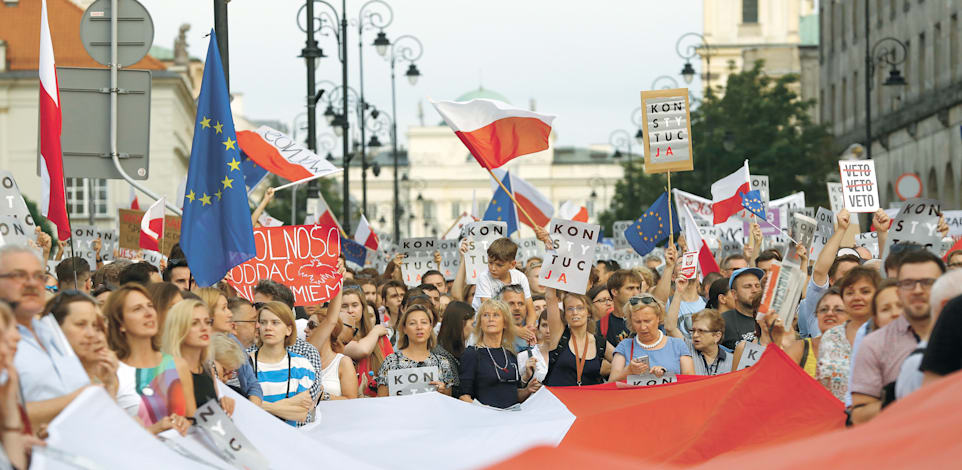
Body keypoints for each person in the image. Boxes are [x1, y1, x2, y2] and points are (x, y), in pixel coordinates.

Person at [850, 250, 945, 424]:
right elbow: (859, 417)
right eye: (908, 283)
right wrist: (895, 399)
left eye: (927, 282)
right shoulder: (874, 344)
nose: (917, 290)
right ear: (899, 290)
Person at [0, 246, 91, 428]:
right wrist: (78, 400)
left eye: (38, 276)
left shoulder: (52, 331)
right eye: (19, 275)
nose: (32, 283)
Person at [105, 284, 194, 435]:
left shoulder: (178, 365)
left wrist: (186, 424)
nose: (148, 313)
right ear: (120, 323)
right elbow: (108, 435)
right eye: (137, 309)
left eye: (150, 306)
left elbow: (194, 422)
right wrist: (154, 430)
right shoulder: (111, 370)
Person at [251, 280, 322, 408]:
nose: (254, 311)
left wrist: (258, 406)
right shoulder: (245, 355)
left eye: (259, 305)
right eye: (254, 305)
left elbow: (304, 407)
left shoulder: (306, 354)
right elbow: (239, 403)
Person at [816, 266, 881, 402]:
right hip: (832, 417)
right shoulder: (831, 336)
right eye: (850, 293)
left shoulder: (887, 334)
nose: (857, 297)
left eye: (865, 291)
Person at [459, 300, 541, 408]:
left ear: (505, 323)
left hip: (512, 417)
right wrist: (487, 412)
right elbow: (464, 397)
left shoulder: (510, 354)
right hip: (486, 420)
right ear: (480, 322)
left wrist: (527, 390)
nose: (491, 319)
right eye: (486, 315)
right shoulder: (472, 353)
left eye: (496, 315)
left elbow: (513, 395)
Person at [161, 299, 235, 415]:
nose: (204, 328)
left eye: (207, 322)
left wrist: (221, 404)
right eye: (194, 323)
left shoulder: (207, 368)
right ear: (179, 329)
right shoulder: (171, 368)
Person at [250, 301, 315, 426]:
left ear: (288, 329)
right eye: (263, 322)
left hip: (288, 440)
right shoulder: (246, 363)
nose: (268, 327)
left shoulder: (301, 364)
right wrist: (289, 404)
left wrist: (259, 405)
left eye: (275, 323)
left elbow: (301, 414)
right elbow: (242, 407)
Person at [46, 291, 118, 397]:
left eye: (96, 326)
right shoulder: (46, 381)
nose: (91, 334)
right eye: (81, 324)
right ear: (55, 328)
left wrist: (110, 385)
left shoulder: (107, 373)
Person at [610, 295, 694, 382]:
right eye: (637, 322)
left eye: (647, 321)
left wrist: (665, 374)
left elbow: (691, 382)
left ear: (658, 318)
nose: (643, 327)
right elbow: (610, 384)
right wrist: (628, 371)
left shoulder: (677, 345)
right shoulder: (624, 346)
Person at [377, 305, 456, 397]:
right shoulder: (391, 361)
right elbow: (382, 399)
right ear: (404, 329)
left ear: (430, 327)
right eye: (412, 323)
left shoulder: (442, 362)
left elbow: (448, 399)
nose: (419, 327)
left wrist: (443, 391)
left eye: (424, 322)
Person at [544, 287, 614, 386]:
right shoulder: (559, 335)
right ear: (565, 315)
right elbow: (550, 297)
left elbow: (624, 364)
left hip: (588, 399)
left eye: (580, 308)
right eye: (570, 308)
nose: (575, 312)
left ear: (588, 312)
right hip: (559, 400)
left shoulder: (600, 343)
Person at [470, 238, 536, 329]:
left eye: (499, 265)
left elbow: (530, 310)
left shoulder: (520, 277)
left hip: (514, 329)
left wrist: (529, 329)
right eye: (490, 263)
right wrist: (516, 331)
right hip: (486, 328)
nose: (493, 268)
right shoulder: (484, 278)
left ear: (512, 265)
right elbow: (490, 311)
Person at [340, 287, 391, 397]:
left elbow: (393, 372)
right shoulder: (335, 339)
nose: (350, 310)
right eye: (344, 306)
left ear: (362, 308)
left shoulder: (381, 339)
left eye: (355, 305)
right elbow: (362, 350)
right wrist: (376, 331)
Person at [665, 307, 732, 376]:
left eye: (701, 331)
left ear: (717, 336)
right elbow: (669, 328)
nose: (695, 335)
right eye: (693, 330)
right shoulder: (686, 348)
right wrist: (677, 295)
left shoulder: (732, 361)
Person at [434, 301, 474, 397]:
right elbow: (455, 392)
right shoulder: (440, 355)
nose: (473, 329)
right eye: (472, 324)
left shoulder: (460, 351)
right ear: (461, 323)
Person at [720, 267, 765, 350]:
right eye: (748, 286)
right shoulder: (722, 321)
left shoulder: (769, 318)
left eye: (757, 286)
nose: (754, 290)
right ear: (734, 294)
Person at [598, 270, 643, 347]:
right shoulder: (601, 326)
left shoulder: (645, 320)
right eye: (630, 288)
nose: (636, 293)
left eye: (638, 288)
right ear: (614, 292)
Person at [517, 311, 551, 383]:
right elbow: (515, 390)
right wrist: (526, 377)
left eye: (553, 325)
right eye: (544, 325)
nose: (548, 330)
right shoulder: (524, 356)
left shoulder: (569, 355)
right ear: (538, 328)